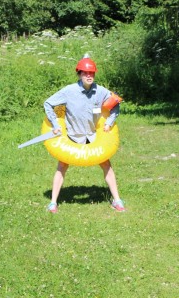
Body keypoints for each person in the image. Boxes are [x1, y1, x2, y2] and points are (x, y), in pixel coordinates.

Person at [44, 56, 125, 213]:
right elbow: (48, 103)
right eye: (86, 73)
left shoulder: (100, 91)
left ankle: (117, 200)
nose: (89, 76)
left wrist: (109, 122)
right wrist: (55, 124)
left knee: (106, 164)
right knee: (62, 166)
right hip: (73, 136)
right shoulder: (69, 91)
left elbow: (116, 103)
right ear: (79, 74)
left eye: (92, 73)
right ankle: (53, 203)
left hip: (92, 135)